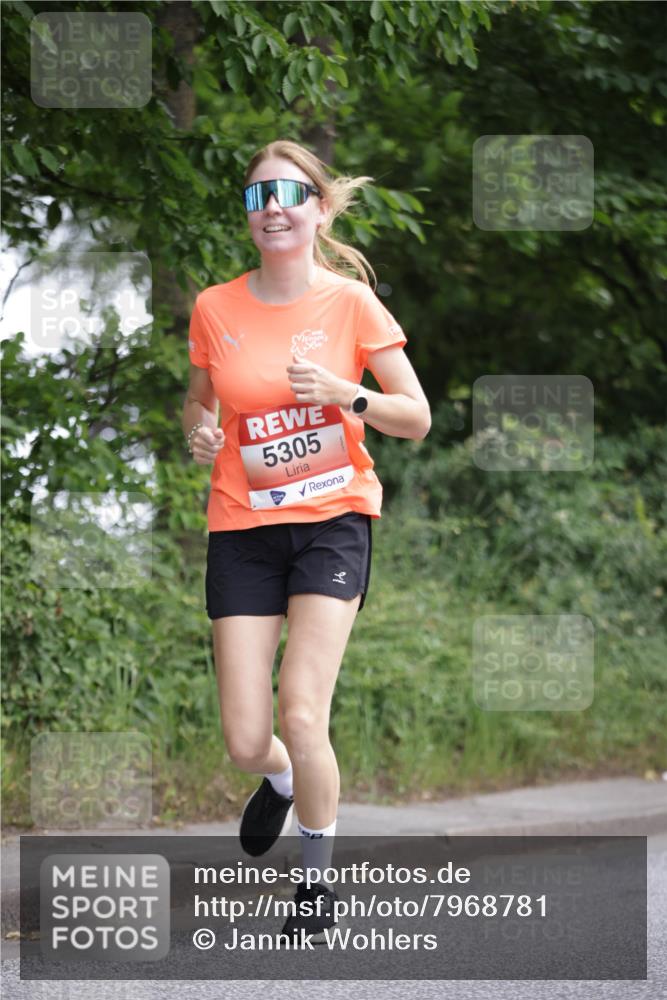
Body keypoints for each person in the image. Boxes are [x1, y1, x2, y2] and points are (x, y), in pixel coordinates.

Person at [182, 139, 431, 943]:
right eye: (259, 196)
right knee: (247, 738)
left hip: (333, 519)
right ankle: (278, 783)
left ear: (319, 209)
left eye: (290, 193)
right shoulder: (215, 307)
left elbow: (415, 419)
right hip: (242, 529)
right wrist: (199, 432)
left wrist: (344, 394)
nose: (275, 208)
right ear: (249, 216)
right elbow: (198, 404)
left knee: (301, 709)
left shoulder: (351, 304)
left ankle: (316, 883)